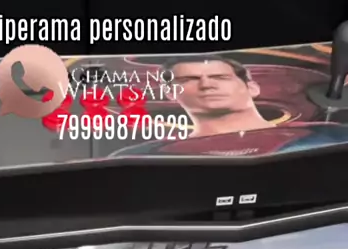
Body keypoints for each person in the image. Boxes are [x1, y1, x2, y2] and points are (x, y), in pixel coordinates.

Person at [114, 55, 348, 158]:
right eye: (189, 79)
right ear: (171, 93)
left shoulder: (331, 137)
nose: (206, 85)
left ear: (252, 87)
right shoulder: (141, 157)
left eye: (220, 77)